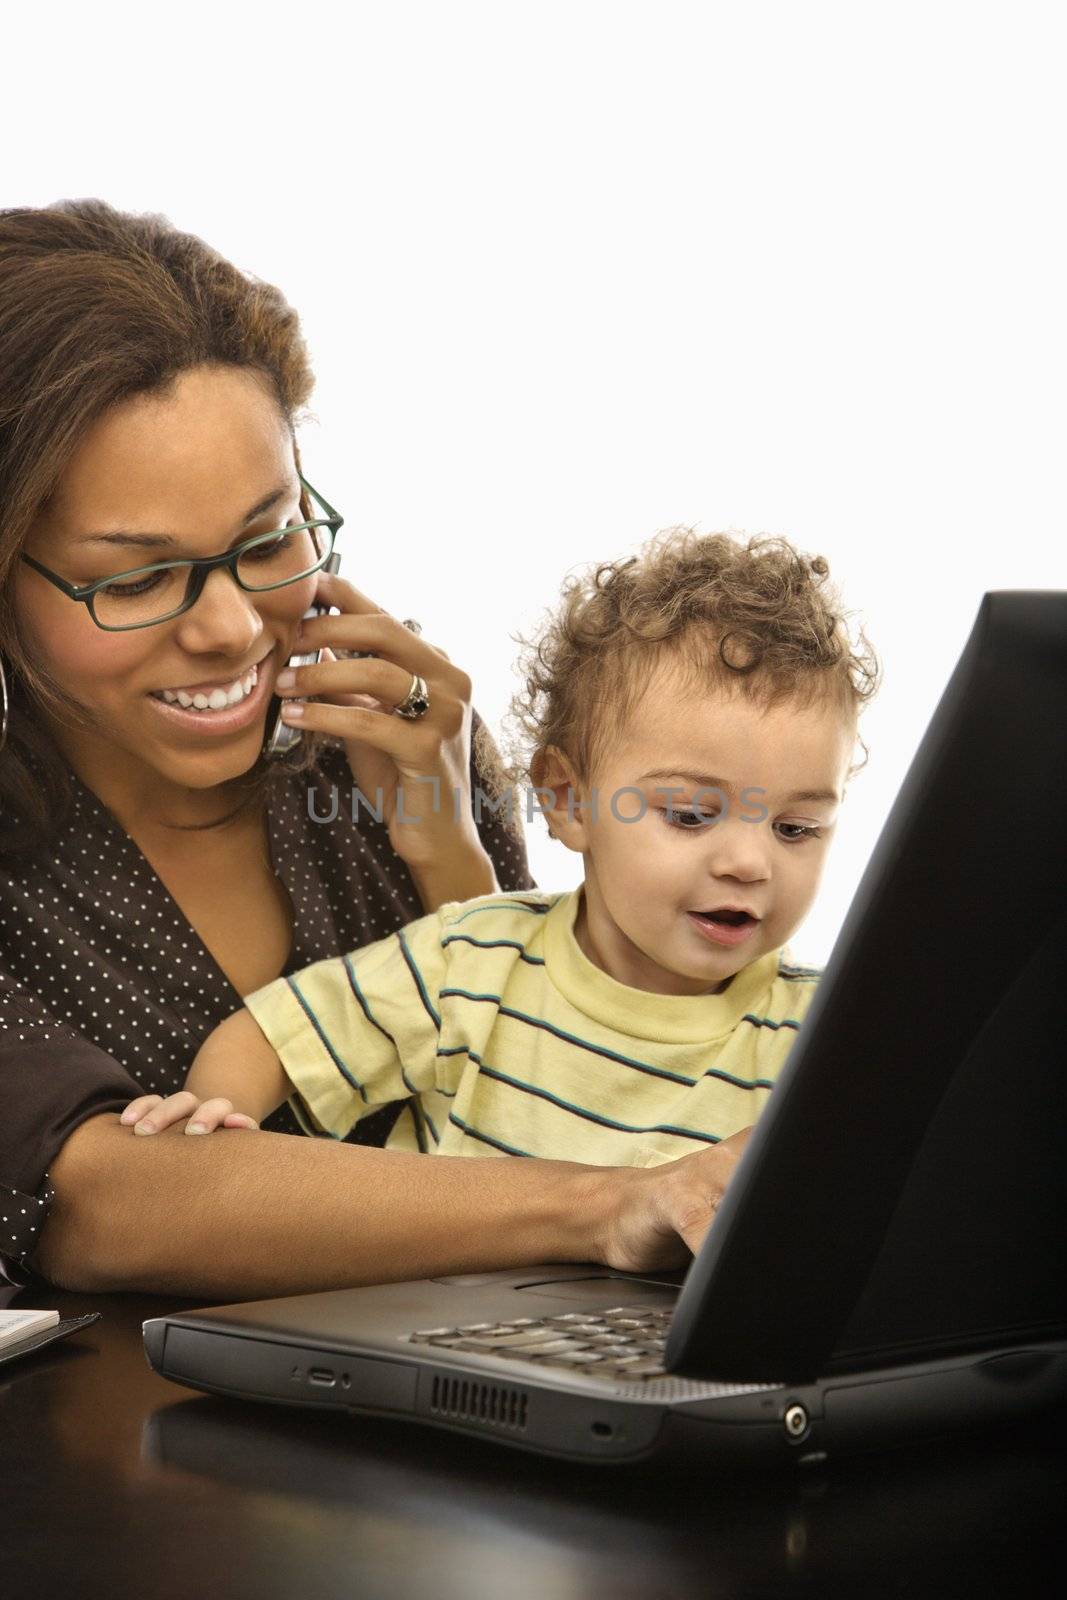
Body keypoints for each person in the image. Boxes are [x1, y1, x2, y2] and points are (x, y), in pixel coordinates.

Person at [0, 199, 841, 1300]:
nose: (231, 627)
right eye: (137, 577)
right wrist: (612, 1200)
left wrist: (451, 852)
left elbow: (516, 1046)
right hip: (109, 1449)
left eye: (268, 538)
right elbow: (91, 1202)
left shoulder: (389, 744)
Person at [118, 527, 878, 1172]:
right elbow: (274, 1037)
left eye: (795, 829)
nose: (749, 863)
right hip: (428, 1333)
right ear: (567, 799)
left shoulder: (823, 1035)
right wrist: (213, 1122)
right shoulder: (470, 958)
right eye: (689, 815)